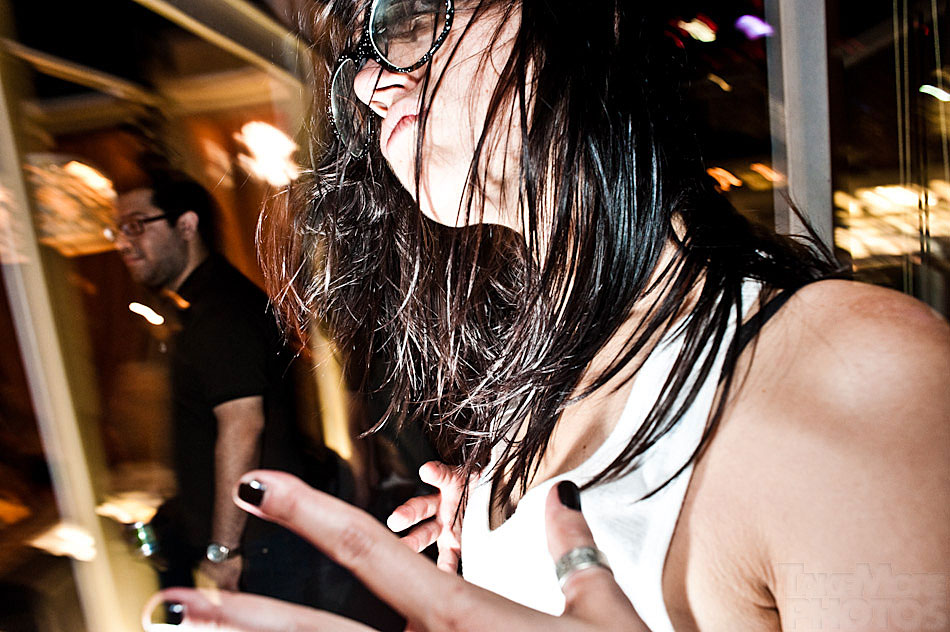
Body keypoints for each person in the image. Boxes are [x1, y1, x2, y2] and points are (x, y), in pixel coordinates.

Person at [144, 1, 950, 631]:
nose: (364, 83)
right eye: (356, 53)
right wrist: (491, 567)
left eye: (407, 15)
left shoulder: (856, 372)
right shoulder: (529, 389)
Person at [113, 171, 376, 620]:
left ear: (187, 225)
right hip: (267, 540)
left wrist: (224, 549)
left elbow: (242, 424)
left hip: (265, 546)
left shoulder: (220, 312)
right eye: (118, 229)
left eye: (136, 225)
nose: (123, 242)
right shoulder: (204, 306)